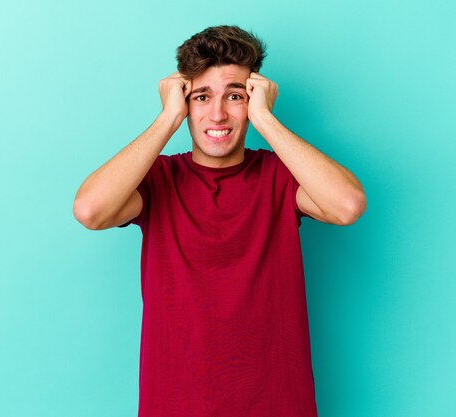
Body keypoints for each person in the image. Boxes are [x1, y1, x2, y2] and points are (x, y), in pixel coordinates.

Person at [73, 25, 366, 417]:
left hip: (277, 404)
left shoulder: (279, 176)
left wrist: (266, 120)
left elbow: (346, 205)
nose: (218, 114)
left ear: (254, 97)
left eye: (234, 96)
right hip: (175, 405)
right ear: (184, 102)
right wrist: (167, 118)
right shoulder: (159, 180)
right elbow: (90, 210)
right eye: (201, 96)